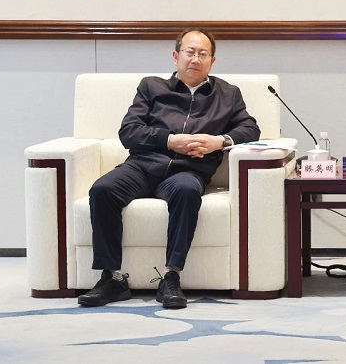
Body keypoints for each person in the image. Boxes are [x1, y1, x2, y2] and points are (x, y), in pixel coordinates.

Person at [78, 28, 261, 309]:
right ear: (176, 56)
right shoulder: (152, 87)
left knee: (187, 191)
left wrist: (218, 141)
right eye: (190, 52)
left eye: (203, 54)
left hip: (188, 171)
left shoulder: (228, 94)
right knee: (103, 189)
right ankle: (112, 278)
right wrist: (169, 140)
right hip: (142, 165)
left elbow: (250, 128)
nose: (195, 59)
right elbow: (129, 131)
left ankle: (171, 277)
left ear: (212, 61)